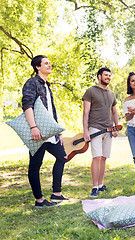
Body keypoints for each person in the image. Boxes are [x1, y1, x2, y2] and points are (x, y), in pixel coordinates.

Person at [22, 55, 69, 208]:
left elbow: (50, 111)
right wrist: (33, 128)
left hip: (50, 133)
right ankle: (40, 200)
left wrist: (58, 132)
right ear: (37, 67)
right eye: (46, 63)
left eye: (49, 63)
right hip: (38, 132)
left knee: (62, 157)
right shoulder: (31, 83)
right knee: (35, 165)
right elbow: (27, 105)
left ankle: (56, 194)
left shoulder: (46, 85)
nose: (49, 65)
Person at [83, 67, 119, 198]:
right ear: (99, 76)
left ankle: (101, 184)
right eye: (106, 75)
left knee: (104, 158)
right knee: (96, 157)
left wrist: (116, 127)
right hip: (95, 128)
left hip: (108, 129)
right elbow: (86, 112)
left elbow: (114, 111)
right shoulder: (90, 91)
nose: (108, 77)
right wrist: (85, 130)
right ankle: (94, 187)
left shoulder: (112, 93)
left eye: (110, 75)